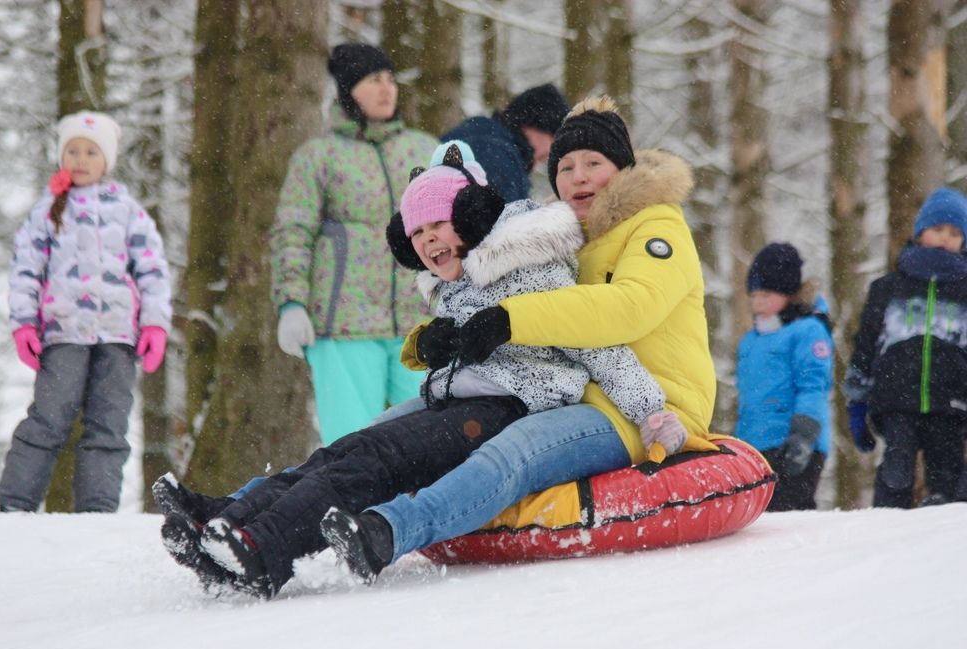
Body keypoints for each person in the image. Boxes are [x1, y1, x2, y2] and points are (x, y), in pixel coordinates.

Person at [160, 141, 683, 598]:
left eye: (438, 224)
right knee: (344, 450)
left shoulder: (530, 265)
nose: (429, 240)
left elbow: (600, 346)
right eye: (417, 233)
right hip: (459, 401)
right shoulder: (460, 276)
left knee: (374, 460)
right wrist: (436, 344)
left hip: (505, 407)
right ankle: (229, 518)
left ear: (473, 217)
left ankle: (262, 550)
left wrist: (651, 413)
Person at [320, 95, 718, 584]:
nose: (578, 176)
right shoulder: (566, 236)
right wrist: (431, 340)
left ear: (623, 169)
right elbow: (484, 298)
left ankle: (389, 532)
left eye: (595, 163)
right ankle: (261, 513)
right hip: (567, 389)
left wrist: (509, 318)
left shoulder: (658, 228)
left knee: (514, 453)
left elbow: (628, 310)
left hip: (648, 404)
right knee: (387, 428)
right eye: (566, 166)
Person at [0, 110, 171, 513]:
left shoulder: (128, 211)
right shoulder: (47, 211)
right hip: (63, 335)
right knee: (49, 417)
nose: (79, 159)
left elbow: (152, 269)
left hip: (117, 337)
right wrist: (23, 323)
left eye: (90, 151)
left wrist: (155, 324)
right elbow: (26, 269)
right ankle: (15, 505)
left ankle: (98, 511)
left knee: (109, 424)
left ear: (105, 160)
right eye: (72, 150)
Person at [271, 42, 436, 446]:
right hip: (343, 325)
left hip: (417, 319)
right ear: (349, 91)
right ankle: (346, 510)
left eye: (390, 79)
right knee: (350, 442)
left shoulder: (423, 149)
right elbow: (293, 231)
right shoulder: (318, 156)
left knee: (429, 440)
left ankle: (417, 512)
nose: (386, 89)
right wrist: (291, 302)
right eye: (373, 80)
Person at [843, 187, 967, 508]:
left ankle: (942, 524)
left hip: (951, 398)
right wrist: (857, 403)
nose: (945, 238)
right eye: (938, 229)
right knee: (897, 467)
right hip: (897, 395)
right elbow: (866, 344)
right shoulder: (888, 288)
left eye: (955, 233)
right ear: (920, 232)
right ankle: (887, 522)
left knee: (948, 471)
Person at [734, 243, 833, 511]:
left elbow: (813, 384)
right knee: (762, 516)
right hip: (755, 446)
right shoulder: (750, 341)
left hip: (794, 442)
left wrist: (803, 434)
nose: (759, 302)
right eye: (754, 296)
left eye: (767, 294)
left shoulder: (807, 331)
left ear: (789, 293)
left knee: (787, 514)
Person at [441, 83, 570, 202]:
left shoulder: (479, 133)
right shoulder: (499, 158)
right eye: (554, 140)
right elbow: (509, 223)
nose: (549, 155)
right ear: (537, 124)